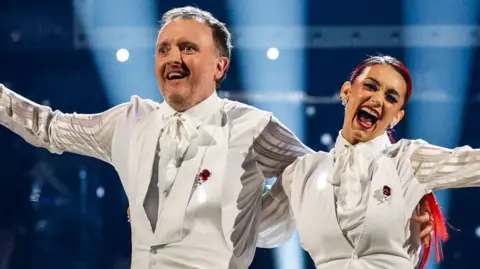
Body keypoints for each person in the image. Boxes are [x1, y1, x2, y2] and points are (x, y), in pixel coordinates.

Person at [0, 6, 433, 269]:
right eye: (165, 48)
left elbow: (323, 181)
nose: (173, 57)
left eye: (188, 48)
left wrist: (399, 228)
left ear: (220, 67)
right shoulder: (128, 121)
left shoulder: (254, 127)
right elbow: (46, 126)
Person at [258, 55, 480, 268]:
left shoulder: (409, 160)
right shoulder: (302, 172)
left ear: (396, 116)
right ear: (346, 91)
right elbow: (253, 229)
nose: (377, 99)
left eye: (391, 97)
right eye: (371, 86)